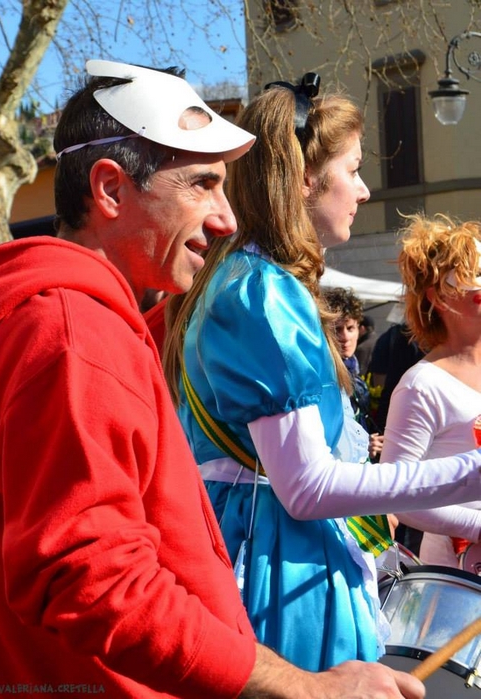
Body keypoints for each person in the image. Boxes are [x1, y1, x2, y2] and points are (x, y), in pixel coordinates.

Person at [0, 61, 424, 699]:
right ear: (111, 190)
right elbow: (95, 582)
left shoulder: (83, 325)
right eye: (202, 185)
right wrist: (305, 687)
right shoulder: (71, 336)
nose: (228, 218)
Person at [162, 71, 481, 675]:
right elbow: (308, 489)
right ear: (305, 178)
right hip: (281, 577)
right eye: (353, 169)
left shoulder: (245, 281)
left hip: (267, 560)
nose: (363, 190)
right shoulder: (261, 292)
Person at [381, 213, 481, 568]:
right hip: (462, 580)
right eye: (475, 276)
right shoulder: (421, 385)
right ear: (440, 298)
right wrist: (476, 525)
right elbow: (397, 495)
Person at [324, 287, 383, 460]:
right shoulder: (325, 375)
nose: (345, 337)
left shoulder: (353, 369)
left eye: (350, 328)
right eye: (337, 329)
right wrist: (361, 445)